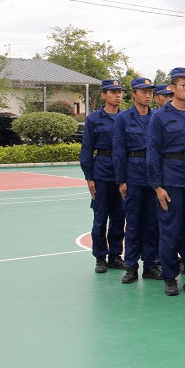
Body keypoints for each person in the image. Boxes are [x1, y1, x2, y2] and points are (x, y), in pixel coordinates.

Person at [146, 67, 185, 296]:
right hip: (171, 181)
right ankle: (170, 276)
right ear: (172, 88)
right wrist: (157, 186)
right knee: (171, 231)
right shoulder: (160, 117)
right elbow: (152, 152)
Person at [113, 77, 163, 283]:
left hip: (153, 177)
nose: (148, 95)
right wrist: (121, 180)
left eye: (150, 91)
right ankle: (131, 266)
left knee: (152, 223)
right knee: (133, 223)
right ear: (133, 94)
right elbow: (118, 151)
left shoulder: (158, 117)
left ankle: (150, 265)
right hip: (133, 176)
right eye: (143, 91)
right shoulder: (123, 118)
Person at [80, 79, 127, 273]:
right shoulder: (94, 119)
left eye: (119, 92)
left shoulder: (125, 118)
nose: (117, 95)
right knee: (100, 218)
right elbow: (87, 150)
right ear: (103, 95)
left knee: (119, 217)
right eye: (113, 91)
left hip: (121, 174)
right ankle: (100, 256)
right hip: (101, 173)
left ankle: (115, 255)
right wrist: (89, 178)